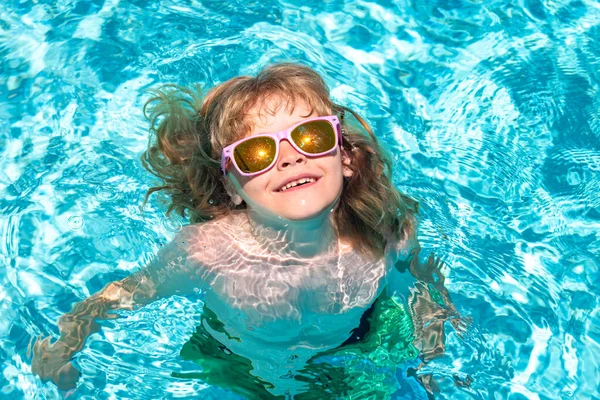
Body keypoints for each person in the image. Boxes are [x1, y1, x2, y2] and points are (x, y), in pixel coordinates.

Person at [32, 63, 463, 398]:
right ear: (231, 186)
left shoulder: (384, 228)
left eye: (310, 137)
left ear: (345, 157)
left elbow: (420, 282)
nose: (291, 158)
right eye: (257, 152)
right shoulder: (207, 252)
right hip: (240, 366)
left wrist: (432, 349)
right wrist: (63, 347)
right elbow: (123, 295)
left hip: (360, 349)